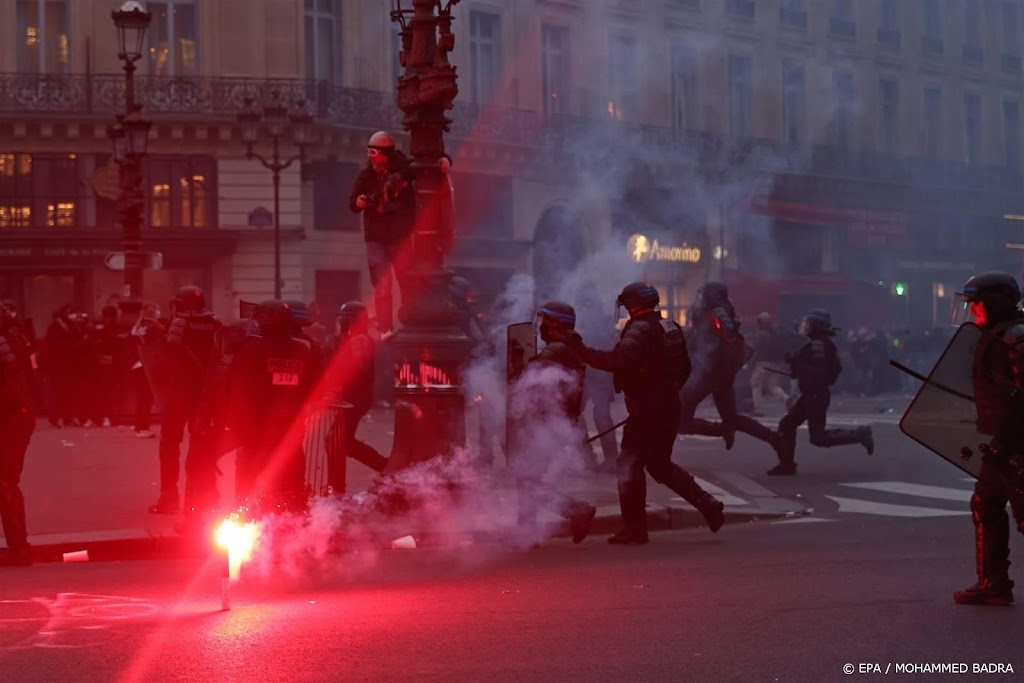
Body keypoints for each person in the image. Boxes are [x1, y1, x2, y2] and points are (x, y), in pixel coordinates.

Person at [571, 282, 724, 544]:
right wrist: (665, 392)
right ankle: (708, 505)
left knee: (628, 465)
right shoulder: (670, 326)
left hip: (648, 410)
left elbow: (617, 361)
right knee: (660, 465)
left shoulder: (639, 330)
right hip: (669, 406)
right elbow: (685, 368)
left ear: (634, 303)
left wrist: (582, 351)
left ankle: (634, 528)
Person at [948, 272, 1024, 606]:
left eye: (976, 303)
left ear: (993, 303)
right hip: (1001, 444)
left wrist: (1008, 441)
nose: (973, 310)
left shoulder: (1017, 337)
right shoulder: (993, 335)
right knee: (985, 504)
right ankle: (994, 584)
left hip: (1018, 443)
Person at [509, 301, 596, 544]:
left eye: (545, 322)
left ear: (556, 324)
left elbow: (528, 380)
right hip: (555, 422)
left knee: (528, 478)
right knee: (529, 478)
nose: (542, 327)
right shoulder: (568, 348)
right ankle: (528, 532)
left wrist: (516, 360)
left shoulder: (556, 350)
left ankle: (575, 512)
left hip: (547, 423)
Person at [228, 300, 318, 513]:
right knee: (292, 479)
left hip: (256, 429)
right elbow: (315, 386)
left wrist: (233, 425)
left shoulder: (251, 351)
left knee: (248, 479)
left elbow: (237, 389)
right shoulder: (303, 350)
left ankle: (249, 521)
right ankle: (291, 524)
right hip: (291, 428)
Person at [678, 282, 782, 457]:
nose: (700, 298)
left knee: (681, 420)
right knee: (732, 418)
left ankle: (723, 431)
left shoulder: (719, 313)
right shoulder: (707, 314)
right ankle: (774, 439)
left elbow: (724, 340)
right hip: (715, 374)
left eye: (704, 295)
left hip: (708, 374)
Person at [768, 309, 874, 476]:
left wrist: (797, 364)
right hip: (813, 394)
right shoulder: (820, 343)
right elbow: (826, 370)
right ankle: (787, 464)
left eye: (808, 323)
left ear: (816, 325)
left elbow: (815, 373)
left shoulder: (818, 345)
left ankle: (859, 434)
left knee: (818, 437)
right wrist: (796, 363)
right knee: (787, 425)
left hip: (815, 395)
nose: (805, 326)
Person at [149, 285, 220, 514]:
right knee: (202, 446)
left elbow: (167, 358)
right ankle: (206, 496)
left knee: (170, 445)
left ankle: (169, 497)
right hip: (205, 395)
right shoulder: (214, 324)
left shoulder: (178, 324)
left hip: (179, 394)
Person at [349, 131, 416, 339]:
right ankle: (386, 327)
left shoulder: (405, 170)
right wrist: (358, 202)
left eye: (374, 152)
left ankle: (410, 322)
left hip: (399, 235)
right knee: (382, 283)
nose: (370, 157)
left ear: (385, 153)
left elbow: (422, 166)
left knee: (407, 281)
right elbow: (352, 203)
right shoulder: (365, 176)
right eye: (368, 152)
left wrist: (445, 160)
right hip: (376, 237)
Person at [323, 301, 388, 493]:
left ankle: (382, 466)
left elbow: (354, 369)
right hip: (353, 397)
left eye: (346, 320)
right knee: (339, 441)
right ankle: (382, 467)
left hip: (353, 398)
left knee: (337, 441)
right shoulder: (355, 339)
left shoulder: (359, 340)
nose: (342, 325)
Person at [0, 300, 37, 566]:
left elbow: (14, 386)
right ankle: (19, 546)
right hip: (20, 416)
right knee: (6, 481)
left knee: (5, 481)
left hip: (12, 417)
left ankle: (20, 547)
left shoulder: (5, 345)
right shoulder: (18, 340)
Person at [129, 302, 164, 439]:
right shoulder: (155, 327)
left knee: (141, 396)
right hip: (148, 365)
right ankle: (142, 427)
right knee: (146, 397)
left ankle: (140, 426)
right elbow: (158, 348)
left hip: (136, 364)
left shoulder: (137, 326)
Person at [748, 312, 790, 417]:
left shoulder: (762, 334)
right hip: (775, 364)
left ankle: (758, 410)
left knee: (756, 384)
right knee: (774, 386)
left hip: (763, 364)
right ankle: (786, 399)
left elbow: (755, 349)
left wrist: (749, 362)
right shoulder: (776, 334)